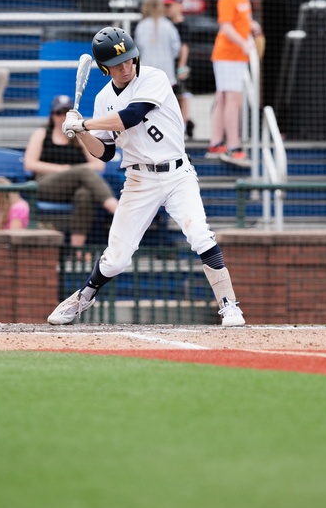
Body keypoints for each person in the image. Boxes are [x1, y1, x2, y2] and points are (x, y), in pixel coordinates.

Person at [49, 27, 246, 327]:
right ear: (105, 68)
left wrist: (85, 123)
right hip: (139, 179)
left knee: (199, 234)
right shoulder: (103, 99)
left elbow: (132, 116)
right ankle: (82, 298)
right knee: (116, 258)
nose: (126, 66)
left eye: (129, 59)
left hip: (177, 172)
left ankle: (229, 304)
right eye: (117, 64)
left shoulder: (153, 78)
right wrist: (80, 133)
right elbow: (104, 152)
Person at [23, 94, 118, 249]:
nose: (62, 117)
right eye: (58, 113)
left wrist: (73, 171)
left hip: (72, 188)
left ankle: (77, 251)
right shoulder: (41, 134)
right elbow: (29, 164)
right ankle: (115, 208)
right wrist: (61, 170)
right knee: (82, 172)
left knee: (85, 195)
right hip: (45, 184)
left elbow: (99, 164)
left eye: (66, 113)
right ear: (52, 115)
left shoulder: (79, 135)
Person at [209, 0, 260, 168]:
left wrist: (252, 26)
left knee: (223, 98)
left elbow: (240, 22)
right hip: (229, 55)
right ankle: (234, 145)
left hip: (236, 56)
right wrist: (244, 43)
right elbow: (226, 27)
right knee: (233, 100)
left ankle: (216, 142)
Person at [134, 0, 182, 122]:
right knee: (166, 104)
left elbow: (138, 48)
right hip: (167, 72)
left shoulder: (141, 26)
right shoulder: (168, 25)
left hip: (147, 71)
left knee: (148, 104)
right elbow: (176, 48)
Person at [161, 0, 193, 136]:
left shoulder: (183, 25)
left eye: (170, 5)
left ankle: (183, 126)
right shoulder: (164, 24)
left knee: (182, 96)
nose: (167, 9)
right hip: (167, 66)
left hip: (178, 67)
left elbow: (184, 47)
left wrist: (181, 66)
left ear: (179, 5)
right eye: (165, 6)